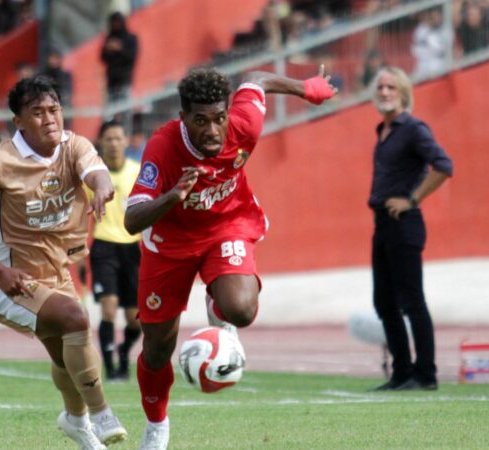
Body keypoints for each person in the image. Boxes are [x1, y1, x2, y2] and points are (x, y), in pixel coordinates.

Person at [123, 66, 337, 449]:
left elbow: (256, 79)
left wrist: (305, 88)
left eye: (219, 118)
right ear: (183, 117)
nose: (212, 130)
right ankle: (157, 425)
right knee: (156, 349)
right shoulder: (163, 146)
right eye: (201, 120)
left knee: (240, 309)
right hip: (169, 244)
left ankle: (218, 303)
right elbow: (130, 219)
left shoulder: (245, 125)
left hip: (227, 226)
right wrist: (172, 196)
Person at [0, 75, 127, 450]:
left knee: (66, 357)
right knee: (77, 321)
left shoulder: (73, 145)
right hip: (9, 281)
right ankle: (101, 414)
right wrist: (0, 272)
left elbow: (97, 173)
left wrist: (102, 190)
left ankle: (75, 421)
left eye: (54, 109)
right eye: (38, 112)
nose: (49, 119)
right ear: (19, 121)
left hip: (57, 276)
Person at [367, 66, 453, 392]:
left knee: (412, 301)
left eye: (391, 87)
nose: (385, 92)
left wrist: (412, 200)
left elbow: (444, 166)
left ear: (403, 92)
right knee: (384, 302)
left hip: (404, 223)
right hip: (382, 224)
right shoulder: (383, 130)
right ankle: (402, 372)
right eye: (381, 87)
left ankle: (425, 375)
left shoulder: (414, 128)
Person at [87, 121, 142, 381]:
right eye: (108, 138)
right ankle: (110, 369)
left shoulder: (137, 171)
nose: (114, 143)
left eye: (118, 138)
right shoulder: (94, 176)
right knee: (108, 309)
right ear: (100, 142)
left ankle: (123, 350)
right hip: (104, 247)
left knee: (136, 320)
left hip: (132, 248)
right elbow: (79, 213)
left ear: (125, 140)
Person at [100, 12, 138, 103]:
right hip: (111, 82)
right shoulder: (109, 38)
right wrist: (109, 49)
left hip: (125, 80)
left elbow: (131, 57)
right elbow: (103, 57)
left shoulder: (130, 38)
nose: (115, 25)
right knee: (110, 112)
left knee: (125, 109)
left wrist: (119, 49)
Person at [411, 7, 449, 79]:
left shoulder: (446, 29)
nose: (435, 18)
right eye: (433, 16)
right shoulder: (421, 29)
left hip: (440, 61)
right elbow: (415, 49)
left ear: (441, 16)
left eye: (437, 16)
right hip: (424, 61)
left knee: (435, 67)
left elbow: (443, 49)